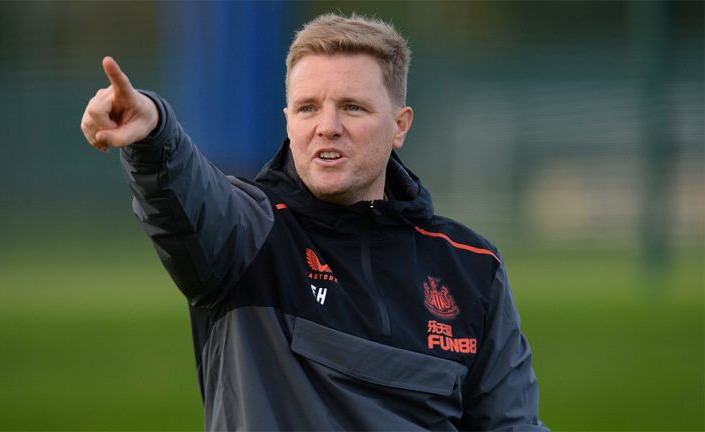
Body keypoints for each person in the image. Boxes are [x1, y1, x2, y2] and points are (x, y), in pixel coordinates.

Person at [81, 13, 547, 431]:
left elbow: (510, 423)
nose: (327, 126)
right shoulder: (249, 232)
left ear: (400, 125)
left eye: (352, 107)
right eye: (308, 108)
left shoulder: (470, 266)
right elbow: (185, 203)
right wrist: (153, 132)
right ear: (288, 121)